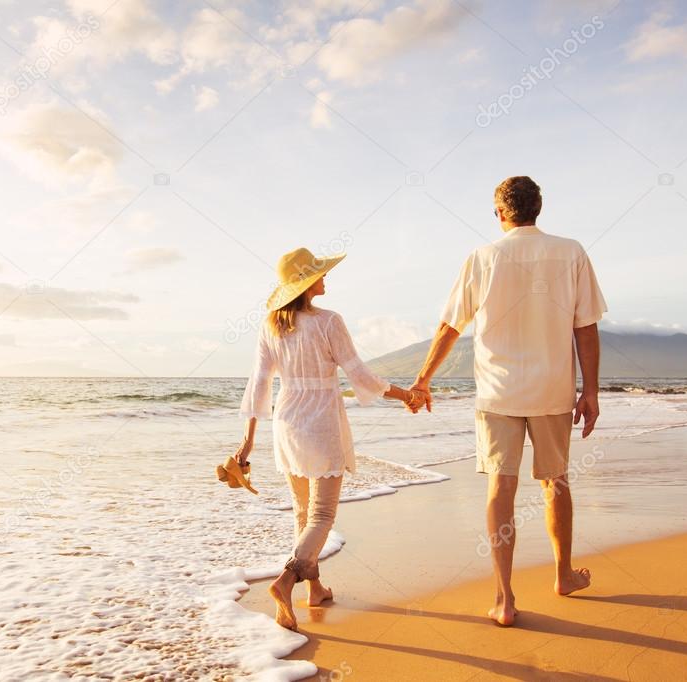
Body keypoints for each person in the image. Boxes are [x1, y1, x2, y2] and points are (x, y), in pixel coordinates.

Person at [410, 176, 607, 627]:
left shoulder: (482, 257)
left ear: (500, 213)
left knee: (500, 486)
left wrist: (422, 380)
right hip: (553, 390)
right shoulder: (571, 250)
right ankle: (563, 576)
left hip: (498, 393)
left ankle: (504, 598)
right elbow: (586, 328)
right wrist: (591, 390)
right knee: (555, 481)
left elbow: (449, 327)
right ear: (540, 207)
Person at [236, 247, 424, 631]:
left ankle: (314, 588)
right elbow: (362, 378)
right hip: (321, 424)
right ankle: (287, 580)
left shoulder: (271, 325)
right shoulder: (328, 322)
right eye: (319, 274)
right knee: (321, 516)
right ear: (306, 285)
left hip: (286, 424)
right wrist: (408, 396)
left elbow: (258, 386)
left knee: (303, 513)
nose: (326, 278)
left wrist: (247, 443)